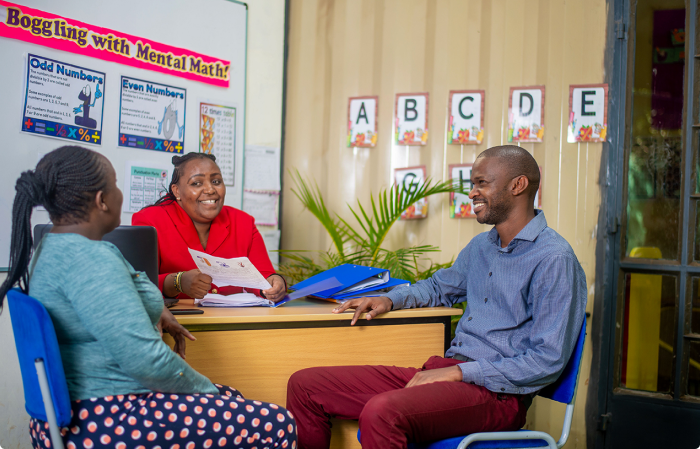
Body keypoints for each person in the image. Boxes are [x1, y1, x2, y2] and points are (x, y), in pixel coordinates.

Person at [286, 146, 587, 449]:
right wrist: (390, 299)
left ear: (517, 185)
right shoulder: (481, 246)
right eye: (473, 184)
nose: (472, 193)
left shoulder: (554, 259)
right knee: (306, 386)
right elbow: (438, 288)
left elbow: (546, 360)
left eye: (482, 183)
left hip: (497, 395)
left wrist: (459, 372)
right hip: (447, 373)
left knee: (382, 413)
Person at [0, 146, 296, 449]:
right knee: (278, 423)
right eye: (115, 185)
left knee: (233, 399)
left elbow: (121, 293)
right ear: (102, 201)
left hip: (78, 409)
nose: (120, 194)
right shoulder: (91, 260)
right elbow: (148, 364)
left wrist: (157, 311)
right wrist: (208, 391)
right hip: (105, 416)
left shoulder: (54, 250)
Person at [132, 152, 287, 301]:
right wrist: (177, 282)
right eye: (197, 183)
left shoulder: (243, 222)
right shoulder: (150, 220)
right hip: (174, 322)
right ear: (177, 191)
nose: (210, 190)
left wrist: (275, 283)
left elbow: (264, 276)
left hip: (231, 321)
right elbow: (136, 283)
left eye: (216, 182)